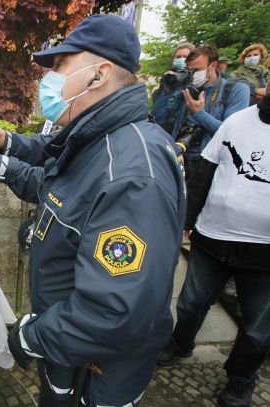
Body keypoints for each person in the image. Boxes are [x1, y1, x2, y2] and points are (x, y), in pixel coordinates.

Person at [0, 14, 185, 407]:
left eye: (61, 65)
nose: (48, 78)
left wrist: (30, 337)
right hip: (67, 346)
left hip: (100, 367)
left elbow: (113, 311)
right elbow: (60, 189)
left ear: (98, 74)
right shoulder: (94, 137)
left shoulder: (132, 173)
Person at [158, 81, 270, 407]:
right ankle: (180, 343)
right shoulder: (237, 122)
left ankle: (240, 379)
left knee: (258, 328)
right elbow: (204, 172)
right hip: (213, 237)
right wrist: (187, 221)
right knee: (191, 303)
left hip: (264, 253)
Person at [152, 45, 249, 176]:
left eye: (197, 70)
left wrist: (199, 114)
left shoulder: (236, 90)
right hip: (179, 160)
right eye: (189, 70)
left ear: (213, 65)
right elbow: (157, 119)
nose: (193, 75)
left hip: (209, 167)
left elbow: (232, 134)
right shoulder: (186, 89)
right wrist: (167, 90)